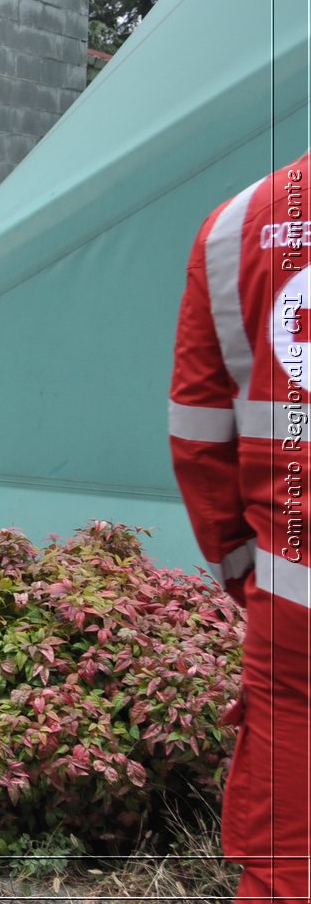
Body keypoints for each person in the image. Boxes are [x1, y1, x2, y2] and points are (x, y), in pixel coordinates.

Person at [169, 150, 311, 904]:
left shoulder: (236, 228)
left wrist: (245, 572)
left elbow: (198, 435)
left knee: (289, 864)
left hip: (293, 614)